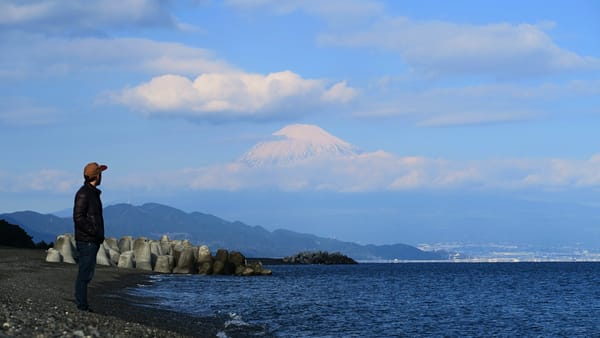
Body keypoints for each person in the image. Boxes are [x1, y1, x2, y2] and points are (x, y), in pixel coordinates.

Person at [73, 162, 108, 312]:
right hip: (87, 240)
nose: (102, 176)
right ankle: (82, 305)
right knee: (85, 273)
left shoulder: (92, 192)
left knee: (87, 273)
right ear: (96, 176)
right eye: (100, 173)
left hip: (91, 240)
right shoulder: (84, 193)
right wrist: (93, 231)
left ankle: (83, 304)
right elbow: (78, 217)